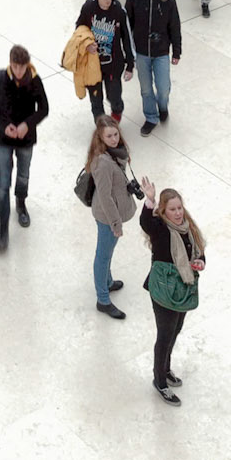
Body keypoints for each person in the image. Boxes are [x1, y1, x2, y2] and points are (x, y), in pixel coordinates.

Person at [138, 178, 206, 403]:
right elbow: (146, 223)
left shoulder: (188, 228)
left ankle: (166, 369)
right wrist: (149, 200)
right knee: (165, 334)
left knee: (176, 329)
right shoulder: (160, 229)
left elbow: (198, 250)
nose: (178, 213)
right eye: (172, 209)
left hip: (182, 287)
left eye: (179, 208)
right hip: (163, 289)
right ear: (164, 211)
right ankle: (159, 380)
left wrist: (200, 262)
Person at [0, 44, 48, 251]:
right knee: (3, 183)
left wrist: (27, 124)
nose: (19, 71)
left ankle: (21, 203)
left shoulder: (35, 81)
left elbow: (44, 108)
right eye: (15, 67)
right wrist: (5, 125)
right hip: (4, 138)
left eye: (22, 67)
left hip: (26, 139)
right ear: (10, 63)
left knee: (23, 175)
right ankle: (3, 228)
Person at [87, 116, 139, 320]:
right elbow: (105, 197)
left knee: (108, 251)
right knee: (103, 255)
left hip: (112, 213)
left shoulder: (114, 154)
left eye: (116, 133)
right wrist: (115, 223)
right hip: (108, 216)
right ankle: (103, 299)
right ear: (100, 137)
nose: (114, 138)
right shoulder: (102, 162)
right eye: (109, 136)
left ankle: (107, 282)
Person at [126, 0, 182, 135]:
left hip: (161, 52)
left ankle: (163, 106)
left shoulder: (168, 1)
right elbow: (128, 25)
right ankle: (151, 116)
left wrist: (177, 51)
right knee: (146, 88)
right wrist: (129, 51)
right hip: (142, 52)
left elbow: (175, 26)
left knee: (163, 87)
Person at [75, 0, 134, 121]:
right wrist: (87, 44)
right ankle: (101, 127)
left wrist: (130, 65)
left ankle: (116, 116)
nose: (108, 0)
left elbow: (127, 39)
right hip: (92, 65)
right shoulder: (88, 7)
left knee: (114, 96)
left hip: (113, 64)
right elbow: (79, 29)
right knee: (96, 100)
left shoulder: (118, 11)